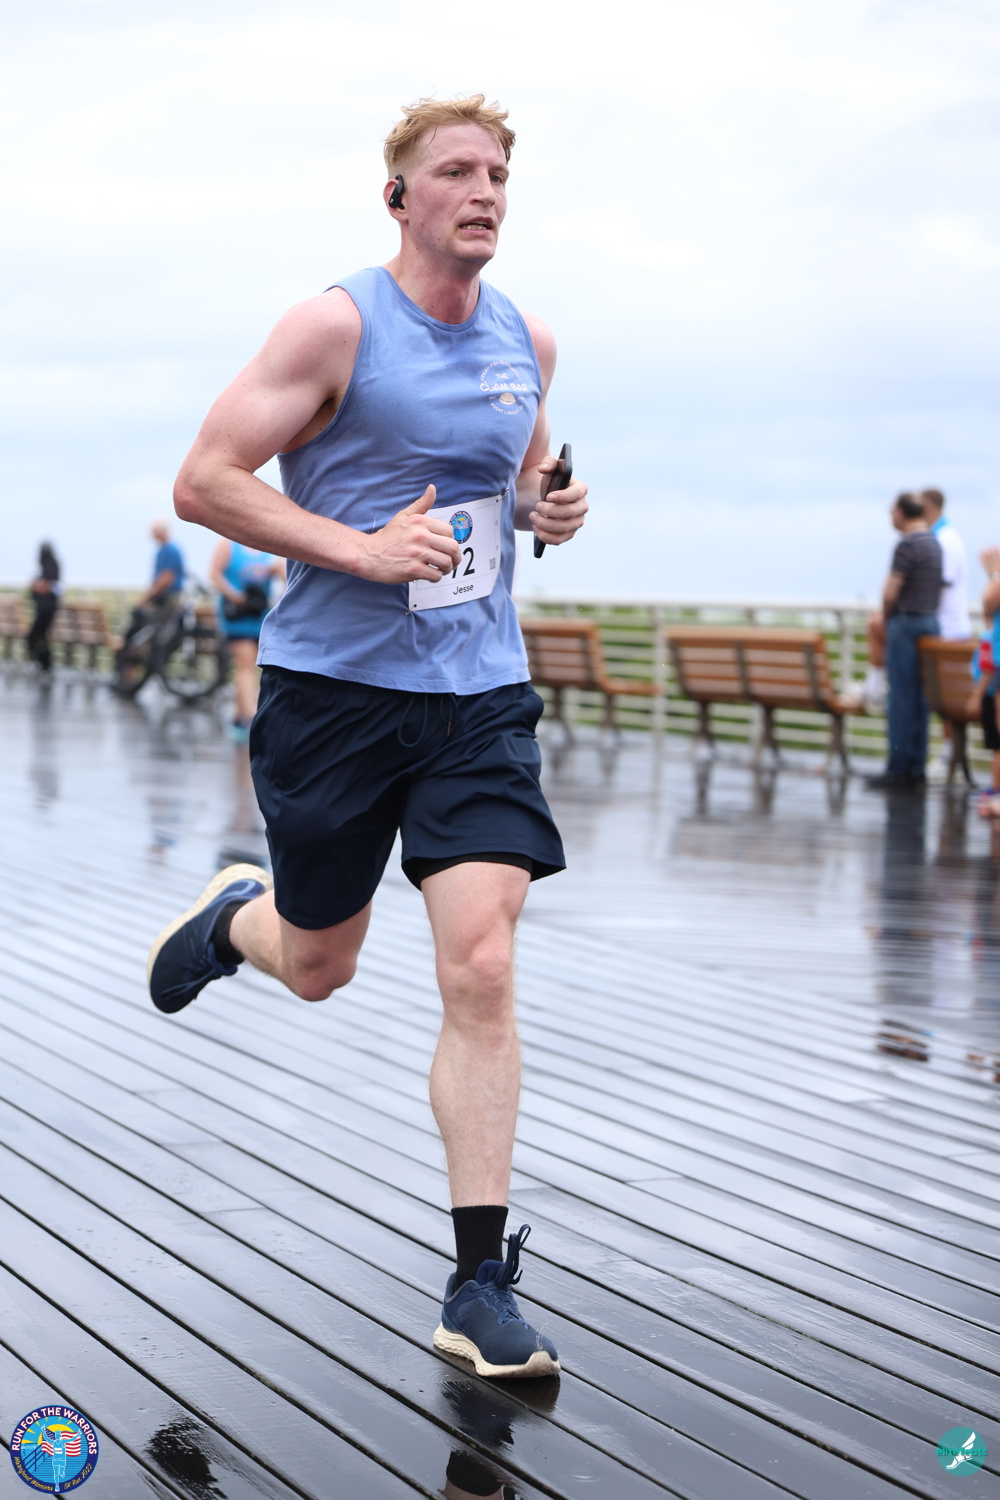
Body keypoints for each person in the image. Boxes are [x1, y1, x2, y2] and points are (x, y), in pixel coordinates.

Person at [147, 94, 588, 1379]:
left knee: (482, 965)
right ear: (399, 197)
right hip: (333, 693)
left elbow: (515, 479)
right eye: (457, 170)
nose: (484, 190)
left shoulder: (526, 338)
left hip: (478, 693)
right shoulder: (335, 325)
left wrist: (546, 509)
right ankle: (238, 918)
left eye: (498, 172)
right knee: (319, 964)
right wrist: (360, 548)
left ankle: (477, 1282)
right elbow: (205, 480)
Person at [867, 492, 942, 789]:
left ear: (901, 513)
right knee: (920, 700)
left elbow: (890, 592)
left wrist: (886, 617)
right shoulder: (934, 542)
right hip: (930, 622)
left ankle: (897, 768)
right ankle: (916, 765)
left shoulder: (907, 544)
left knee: (900, 698)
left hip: (906, 622)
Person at [209, 539, 285, 741]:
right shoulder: (229, 545)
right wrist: (236, 596)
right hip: (237, 616)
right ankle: (253, 718)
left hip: (259, 617)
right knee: (245, 665)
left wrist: (274, 571)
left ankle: (238, 718)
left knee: (246, 666)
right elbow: (214, 573)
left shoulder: (268, 549)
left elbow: (285, 574)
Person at [921, 489, 971, 781]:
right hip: (946, 629)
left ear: (929, 506)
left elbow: (942, 582)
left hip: (950, 632)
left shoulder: (945, 540)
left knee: (948, 699)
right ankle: (948, 754)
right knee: (943, 698)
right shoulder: (943, 537)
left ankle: (949, 754)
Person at [26, 541, 60, 672]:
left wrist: (36, 586)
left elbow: (47, 586)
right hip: (44, 609)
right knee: (40, 637)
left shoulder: (51, 564)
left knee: (37, 637)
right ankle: (44, 664)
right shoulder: (47, 565)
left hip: (46, 610)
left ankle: (45, 664)